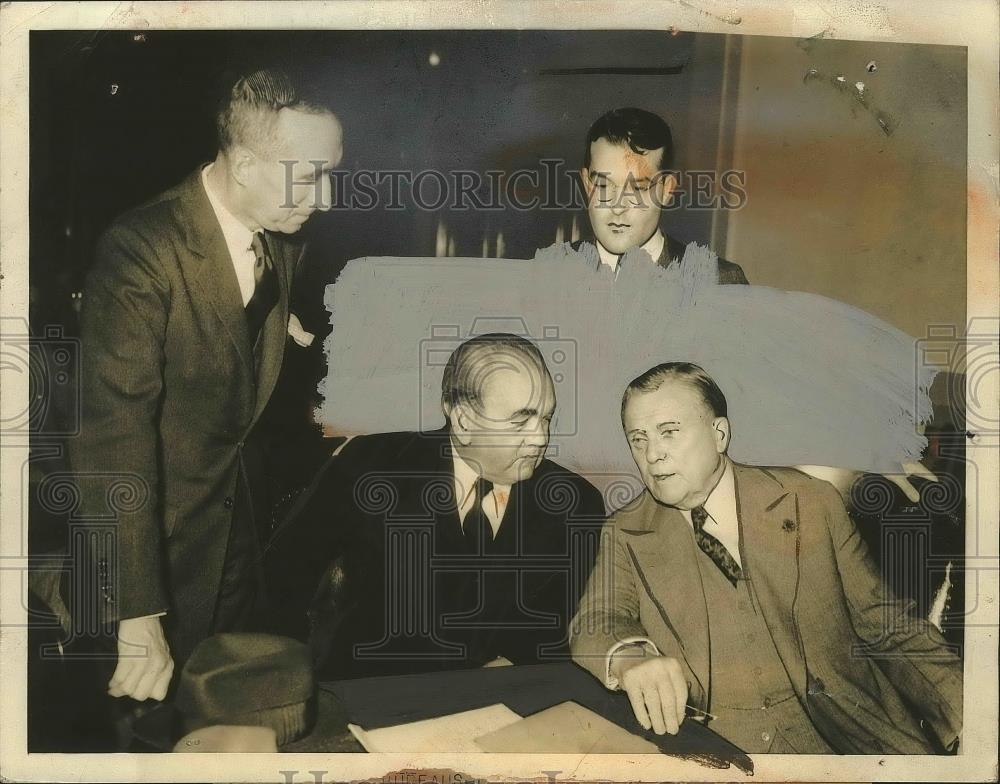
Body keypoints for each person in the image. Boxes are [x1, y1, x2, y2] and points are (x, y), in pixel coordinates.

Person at [69, 68, 344, 704]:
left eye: (330, 173)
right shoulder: (141, 250)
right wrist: (136, 616)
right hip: (148, 563)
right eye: (308, 175)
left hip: (241, 551)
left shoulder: (282, 239)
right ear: (244, 163)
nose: (324, 198)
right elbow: (112, 441)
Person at [569, 362, 962, 754]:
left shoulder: (809, 500)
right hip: (720, 752)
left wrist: (970, 720)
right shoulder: (625, 530)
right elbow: (596, 620)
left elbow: (890, 628)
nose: (652, 454)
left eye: (669, 432)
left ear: (719, 433)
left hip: (854, 738)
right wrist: (629, 657)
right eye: (638, 439)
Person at [264, 333, 606, 678]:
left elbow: (563, 630)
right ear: (463, 421)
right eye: (521, 420)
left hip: (506, 704)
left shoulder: (576, 504)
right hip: (371, 696)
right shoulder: (371, 467)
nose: (540, 438)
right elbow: (281, 580)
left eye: (546, 418)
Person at [574, 107, 747, 283]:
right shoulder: (548, 274)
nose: (618, 207)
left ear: (666, 190)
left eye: (638, 189)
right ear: (587, 185)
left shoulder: (720, 282)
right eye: (602, 185)